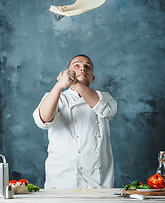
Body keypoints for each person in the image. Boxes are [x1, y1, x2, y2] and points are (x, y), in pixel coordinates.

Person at [33, 54, 117, 189]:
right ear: (68, 73)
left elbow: (104, 109)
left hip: (99, 185)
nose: (83, 69)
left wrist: (75, 83)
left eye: (87, 67)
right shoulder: (56, 96)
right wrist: (59, 85)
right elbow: (43, 120)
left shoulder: (104, 97)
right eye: (76, 66)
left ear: (93, 78)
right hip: (61, 182)